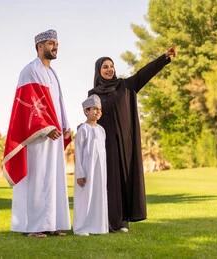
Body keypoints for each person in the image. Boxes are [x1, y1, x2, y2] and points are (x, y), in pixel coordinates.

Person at [88, 45, 176, 232]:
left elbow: (144, 73)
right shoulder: (93, 94)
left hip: (126, 144)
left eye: (111, 65)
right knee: (109, 182)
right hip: (105, 145)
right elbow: (90, 117)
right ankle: (109, 221)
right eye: (105, 66)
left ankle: (123, 222)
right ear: (98, 70)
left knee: (125, 179)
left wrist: (164, 57)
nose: (109, 69)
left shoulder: (125, 86)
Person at [3, 29, 72, 238]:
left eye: (56, 43)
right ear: (40, 47)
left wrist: (64, 124)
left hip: (54, 135)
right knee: (36, 178)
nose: (55, 46)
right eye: (51, 43)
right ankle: (32, 227)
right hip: (37, 136)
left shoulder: (52, 73)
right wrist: (47, 126)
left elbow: (58, 102)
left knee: (53, 178)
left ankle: (51, 224)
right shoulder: (29, 71)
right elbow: (29, 104)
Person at [73, 94, 108, 236]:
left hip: (100, 170)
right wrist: (80, 173)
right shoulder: (83, 130)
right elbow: (79, 152)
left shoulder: (101, 130)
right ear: (86, 111)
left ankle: (98, 226)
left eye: (99, 109)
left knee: (98, 196)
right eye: (94, 109)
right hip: (86, 171)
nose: (98, 112)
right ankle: (81, 228)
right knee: (85, 198)